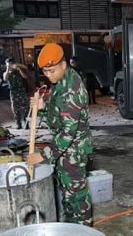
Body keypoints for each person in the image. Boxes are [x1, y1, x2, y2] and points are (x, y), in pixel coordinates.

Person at [27, 43, 94, 225]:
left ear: (64, 64)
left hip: (73, 152)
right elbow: (57, 113)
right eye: (46, 72)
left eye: (52, 70)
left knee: (77, 197)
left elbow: (67, 133)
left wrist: (42, 155)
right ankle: (71, 228)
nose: (49, 76)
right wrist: (42, 107)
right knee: (67, 193)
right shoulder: (61, 81)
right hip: (64, 152)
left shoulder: (72, 90)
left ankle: (85, 234)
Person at [3, 59, 33, 129]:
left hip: (22, 91)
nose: (10, 65)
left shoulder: (19, 71)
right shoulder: (7, 73)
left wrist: (19, 69)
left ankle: (26, 124)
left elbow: (25, 77)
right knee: (15, 109)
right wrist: (8, 69)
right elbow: (5, 78)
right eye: (8, 64)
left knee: (25, 108)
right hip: (13, 92)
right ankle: (18, 124)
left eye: (11, 64)